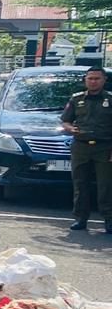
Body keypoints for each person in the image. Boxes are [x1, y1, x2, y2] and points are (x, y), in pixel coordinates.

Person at [61, 65, 112, 234]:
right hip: (81, 147)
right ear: (85, 80)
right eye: (90, 78)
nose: (93, 81)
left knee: (106, 186)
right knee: (80, 184)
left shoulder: (110, 100)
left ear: (104, 80)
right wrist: (70, 129)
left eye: (97, 78)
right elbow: (66, 121)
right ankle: (80, 219)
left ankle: (109, 220)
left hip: (104, 147)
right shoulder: (76, 99)